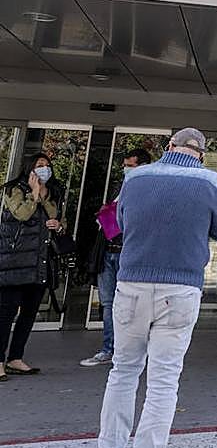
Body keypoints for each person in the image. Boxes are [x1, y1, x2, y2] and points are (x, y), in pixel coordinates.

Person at [98, 128, 217, 448]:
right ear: (201, 155)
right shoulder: (212, 182)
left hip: (132, 284)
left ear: (169, 146)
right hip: (180, 291)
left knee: (123, 372)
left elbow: (119, 220)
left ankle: (110, 445)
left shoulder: (134, 178)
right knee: (163, 381)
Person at [81, 148, 152, 368]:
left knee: (131, 304)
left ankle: (130, 349)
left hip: (127, 253)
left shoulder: (150, 191)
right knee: (108, 303)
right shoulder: (117, 189)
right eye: (125, 165)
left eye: (130, 165)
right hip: (107, 250)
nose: (126, 170)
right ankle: (109, 348)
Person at [0, 154, 65, 381]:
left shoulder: (53, 192)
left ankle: (16, 357)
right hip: (15, 262)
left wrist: (58, 223)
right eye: (40, 166)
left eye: (48, 166)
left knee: (29, 314)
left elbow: (56, 219)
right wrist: (34, 193)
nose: (45, 169)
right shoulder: (13, 189)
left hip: (39, 262)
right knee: (5, 314)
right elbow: (22, 214)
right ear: (29, 169)